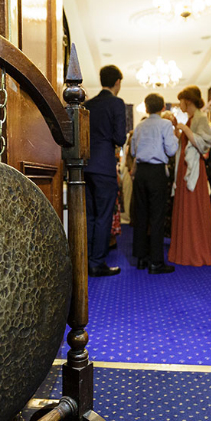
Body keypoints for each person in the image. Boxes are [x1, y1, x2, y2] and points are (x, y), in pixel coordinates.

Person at [84, 65, 127, 277]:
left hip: (86, 166)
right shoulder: (116, 103)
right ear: (118, 82)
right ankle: (97, 263)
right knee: (103, 216)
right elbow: (120, 138)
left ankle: (88, 259)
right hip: (104, 167)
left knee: (90, 216)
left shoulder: (87, 104)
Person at [168, 86, 211, 267]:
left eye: (181, 100)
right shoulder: (191, 118)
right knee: (186, 206)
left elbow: (205, 143)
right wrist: (178, 128)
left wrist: (184, 129)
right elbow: (185, 144)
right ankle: (187, 247)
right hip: (185, 166)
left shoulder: (200, 117)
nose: (179, 103)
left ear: (187, 100)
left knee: (192, 207)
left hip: (193, 168)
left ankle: (194, 250)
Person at [130, 93, 178, 274]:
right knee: (157, 217)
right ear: (163, 108)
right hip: (157, 171)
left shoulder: (140, 126)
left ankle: (141, 258)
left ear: (146, 108)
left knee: (140, 215)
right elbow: (172, 149)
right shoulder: (166, 125)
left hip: (141, 172)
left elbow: (134, 152)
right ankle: (156, 262)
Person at [119, 131, 135, 224]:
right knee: (128, 194)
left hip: (129, 169)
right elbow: (129, 155)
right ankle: (128, 215)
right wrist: (130, 168)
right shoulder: (131, 137)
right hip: (129, 169)